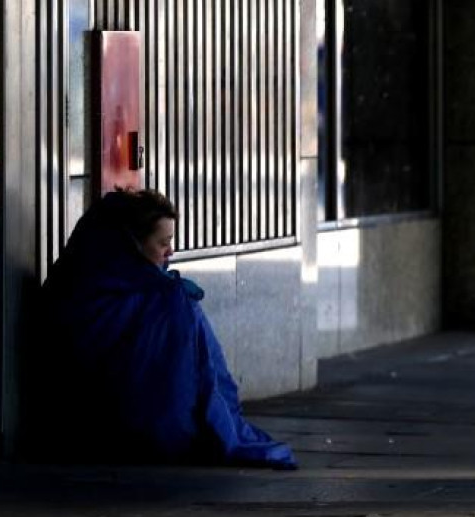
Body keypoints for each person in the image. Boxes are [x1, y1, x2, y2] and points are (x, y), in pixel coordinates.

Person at [29, 187, 297, 470]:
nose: (171, 251)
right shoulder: (166, 301)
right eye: (163, 243)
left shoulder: (75, 282)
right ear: (132, 244)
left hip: (70, 433)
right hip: (139, 435)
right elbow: (202, 376)